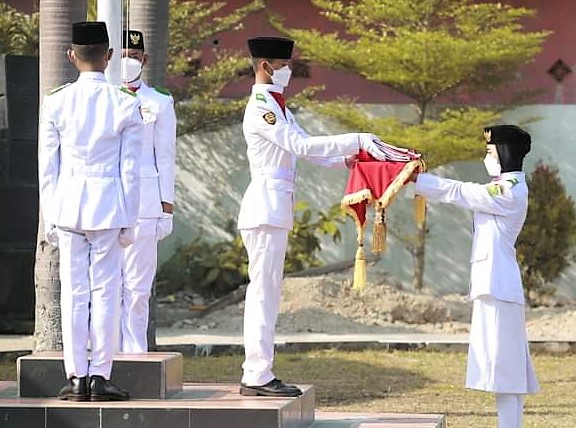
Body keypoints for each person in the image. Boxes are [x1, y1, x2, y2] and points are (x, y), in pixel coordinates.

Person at [237, 36, 389, 397]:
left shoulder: (279, 106)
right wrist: (358, 139)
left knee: (268, 292)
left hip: (275, 207)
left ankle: (259, 371)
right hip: (264, 207)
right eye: (284, 65)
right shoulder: (262, 107)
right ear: (265, 67)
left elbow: (305, 147)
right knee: (263, 293)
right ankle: (256, 374)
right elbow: (301, 146)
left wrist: (345, 159)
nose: (289, 71)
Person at [38, 21, 143, 401]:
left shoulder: (56, 100)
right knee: (105, 291)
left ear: (71, 56)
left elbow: (47, 165)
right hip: (108, 206)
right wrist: (130, 220)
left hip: (67, 205)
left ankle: (75, 376)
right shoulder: (125, 103)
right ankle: (100, 374)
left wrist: (50, 214)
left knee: (73, 292)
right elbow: (130, 170)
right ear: (110, 57)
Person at [410, 125, 539, 427]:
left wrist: (416, 180)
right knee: (506, 369)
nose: (486, 157)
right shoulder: (506, 186)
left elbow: (461, 192)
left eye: (490, 151)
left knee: (506, 371)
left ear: (505, 153)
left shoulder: (508, 190)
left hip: (499, 289)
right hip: (495, 288)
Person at [118, 29, 177, 353]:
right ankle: (105, 354)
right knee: (106, 286)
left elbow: (166, 156)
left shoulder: (160, 102)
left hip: (145, 202)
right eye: (124, 55)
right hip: (108, 201)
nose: (129, 62)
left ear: (145, 60)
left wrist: (166, 208)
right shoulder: (103, 97)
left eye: (135, 56)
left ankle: (135, 352)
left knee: (138, 288)